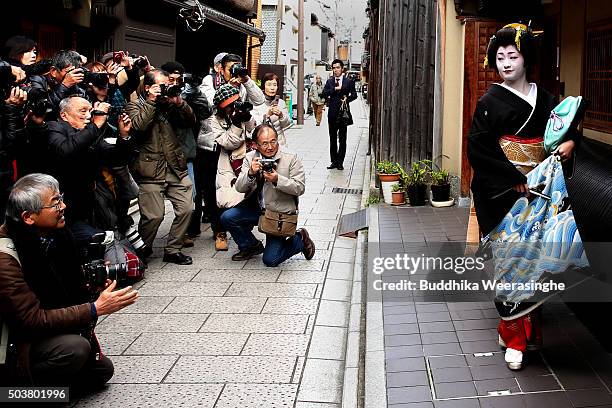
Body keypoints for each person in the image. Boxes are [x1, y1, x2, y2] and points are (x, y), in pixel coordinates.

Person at [468, 24, 580, 371]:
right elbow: (478, 149)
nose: (505, 62)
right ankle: (513, 335)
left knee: (536, 263)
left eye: (512, 56)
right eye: (499, 57)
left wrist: (569, 144)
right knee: (511, 264)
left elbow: (566, 131)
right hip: (503, 192)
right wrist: (511, 178)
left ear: (525, 59)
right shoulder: (489, 102)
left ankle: (527, 331)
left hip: (541, 189)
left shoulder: (547, 99)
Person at [0, 174, 138, 388]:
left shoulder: (54, 237)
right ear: (28, 217)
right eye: (55, 203)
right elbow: (31, 320)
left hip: (41, 332)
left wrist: (94, 288)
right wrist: (94, 309)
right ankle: (15, 393)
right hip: (15, 344)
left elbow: (64, 293)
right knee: (76, 350)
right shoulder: (5, 259)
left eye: (61, 198)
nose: (63, 206)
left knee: (101, 372)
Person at [125, 69, 196, 265]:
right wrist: (151, 101)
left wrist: (179, 103)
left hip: (175, 166)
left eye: (168, 84)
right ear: (148, 87)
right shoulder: (134, 106)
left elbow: (190, 121)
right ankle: (141, 251)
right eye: (162, 85)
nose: (166, 89)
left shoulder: (170, 105)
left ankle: (173, 249)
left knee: (186, 209)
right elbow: (138, 127)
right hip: (149, 170)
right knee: (154, 216)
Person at [46, 96, 136, 246]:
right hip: (66, 203)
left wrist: (124, 135)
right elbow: (66, 150)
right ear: (64, 115)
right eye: (82, 111)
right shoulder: (54, 127)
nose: (88, 116)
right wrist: (95, 126)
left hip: (91, 202)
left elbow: (117, 158)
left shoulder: (90, 132)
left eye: (90, 111)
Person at [225, 124, 315, 266]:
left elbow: (300, 187)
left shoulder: (291, 158)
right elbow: (239, 188)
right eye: (265, 143)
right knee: (228, 217)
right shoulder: (250, 158)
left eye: (273, 141)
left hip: (277, 214)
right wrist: (250, 173)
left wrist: (277, 179)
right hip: (256, 209)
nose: (270, 147)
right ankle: (250, 246)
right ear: (255, 145)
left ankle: (300, 239)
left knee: (271, 260)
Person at [208, 83, 257, 251]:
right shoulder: (215, 120)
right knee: (226, 200)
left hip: (248, 158)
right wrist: (236, 125)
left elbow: (255, 132)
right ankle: (220, 232)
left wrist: (247, 118)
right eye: (228, 106)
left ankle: (244, 233)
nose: (232, 108)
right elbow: (226, 142)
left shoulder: (240, 112)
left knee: (250, 196)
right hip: (226, 163)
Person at [29, 50, 86, 120]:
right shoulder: (37, 80)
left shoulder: (77, 84)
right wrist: (65, 85)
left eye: (77, 71)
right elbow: (42, 108)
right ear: (54, 71)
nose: (74, 76)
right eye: (70, 72)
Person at [322, 59, 357, 170]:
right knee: (332, 139)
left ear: (342, 69)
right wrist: (335, 89)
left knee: (342, 139)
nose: (336, 70)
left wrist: (347, 99)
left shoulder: (348, 81)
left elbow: (354, 95)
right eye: (334, 68)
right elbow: (324, 94)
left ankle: (340, 162)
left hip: (343, 113)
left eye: (338, 67)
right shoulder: (330, 81)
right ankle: (334, 161)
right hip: (332, 113)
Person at [253, 73, 291, 146]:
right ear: (263, 86)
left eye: (274, 85)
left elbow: (287, 124)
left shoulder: (281, 103)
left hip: (279, 143)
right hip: (263, 144)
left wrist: (281, 116)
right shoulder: (257, 104)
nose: (272, 88)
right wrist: (267, 116)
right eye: (269, 84)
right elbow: (253, 127)